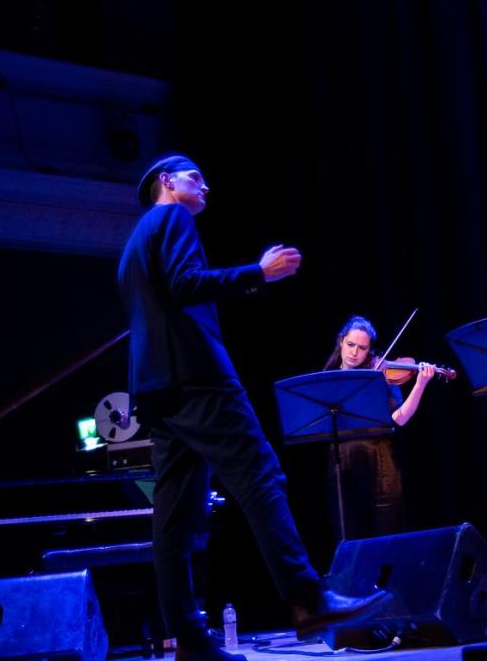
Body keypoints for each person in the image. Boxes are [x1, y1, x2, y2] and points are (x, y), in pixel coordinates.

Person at [118, 154, 386, 660]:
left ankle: (191, 642)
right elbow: (184, 284)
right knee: (261, 476)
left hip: (156, 389)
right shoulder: (170, 217)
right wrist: (259, 272)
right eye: (195, 176)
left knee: (174, 519)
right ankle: (308, 598)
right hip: (197, 378)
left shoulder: (132, 244)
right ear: (165, 182)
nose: (206, 185)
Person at [320, 316, 436, 539]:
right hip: (341, 464)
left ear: (369, 350)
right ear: (340, 342)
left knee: (387, 535)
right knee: (348, 537)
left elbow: (400, 419)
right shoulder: (328, 379)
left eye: (362, 348)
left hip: (380, 462)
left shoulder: (381, 374)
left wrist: (420, 384)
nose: (355, 352)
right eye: (350, 345)